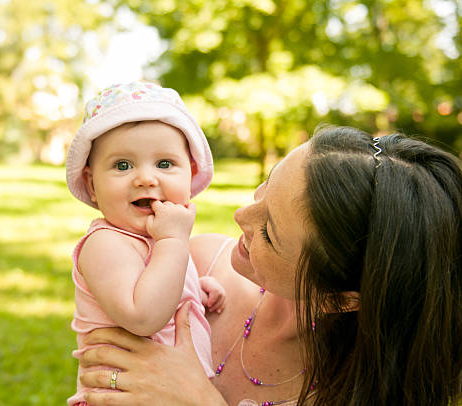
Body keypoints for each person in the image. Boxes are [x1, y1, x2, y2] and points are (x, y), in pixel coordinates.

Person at [77, 125, 462, 406]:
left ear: (340, 300)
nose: (240, 215)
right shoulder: (194, 262)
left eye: (269, 231)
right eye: (265, 187)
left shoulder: (356, 390)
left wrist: (199, 400)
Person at [65, 81, 227, 406]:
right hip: (124, 396)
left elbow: (157, 284)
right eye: (122, 165)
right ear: (91, 184)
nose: (145, 178)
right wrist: (173, 242)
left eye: (164, 164)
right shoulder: (104, 245)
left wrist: (192, 287)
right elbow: (143, 316)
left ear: (190, 173)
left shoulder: (157, 245)